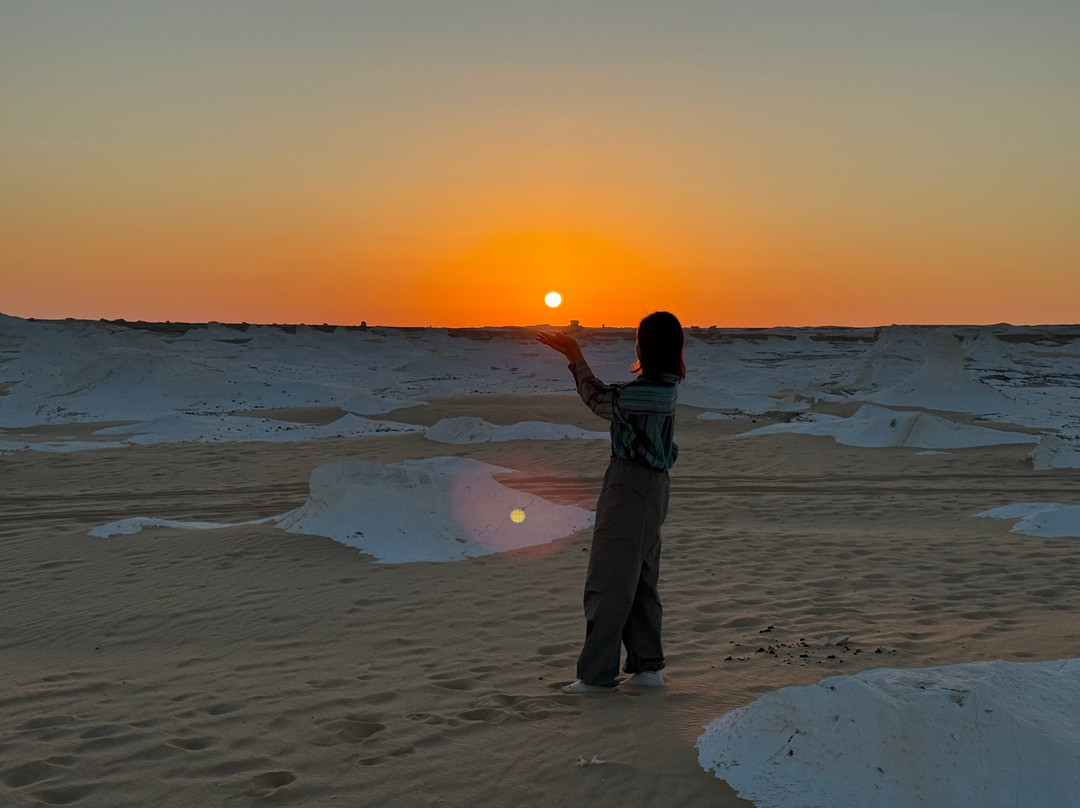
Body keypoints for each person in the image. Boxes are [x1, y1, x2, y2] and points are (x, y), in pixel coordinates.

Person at [537, 311, 685, 693]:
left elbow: (598, 399)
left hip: (630, 486)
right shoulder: (662, 387)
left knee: (609, 579)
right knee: (640, 578)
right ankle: (647, 667)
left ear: (645, 347)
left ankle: (596, 675)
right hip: (651, 487)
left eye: (638, 339)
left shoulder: (647, 392)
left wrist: (575, 356)